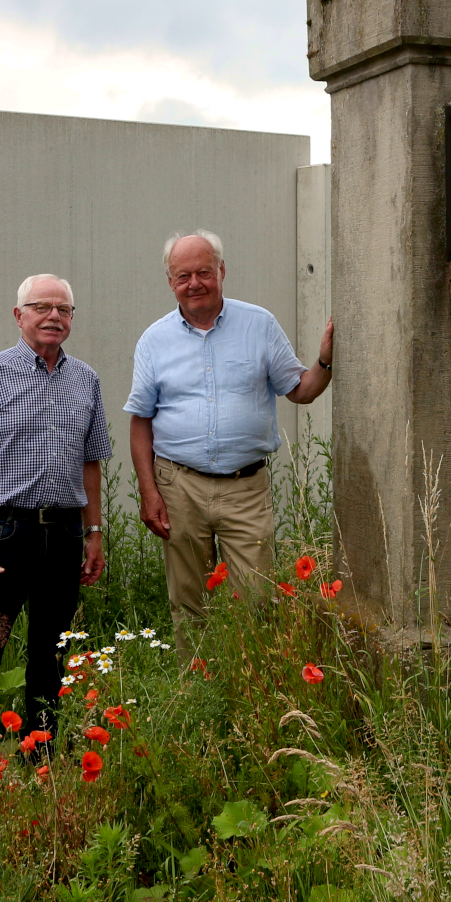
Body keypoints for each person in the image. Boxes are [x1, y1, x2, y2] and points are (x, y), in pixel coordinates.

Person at [125, 230, 332, 658]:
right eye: (184, 275)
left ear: (222, 271)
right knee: (189, 602)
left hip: (245, 486)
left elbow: (301, 390)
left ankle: (247, 695)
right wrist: (149, 493)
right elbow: (141, 420)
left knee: (256, 601)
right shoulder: (153, 340)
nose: (194, 283)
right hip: (178, 486)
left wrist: (327, 359)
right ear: (170, 282)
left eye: (204, 272)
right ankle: (197, 689)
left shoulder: (259, 324)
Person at [0, 273, 112, 754]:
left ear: (72, 319)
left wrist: (93, 533)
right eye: (41, 307)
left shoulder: (86, 380)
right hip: (4, 532)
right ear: (19, 316)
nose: (53, 316)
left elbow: (90, 462)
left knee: (52, 652)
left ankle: (42, 755)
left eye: (63, 309)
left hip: (63, 535)